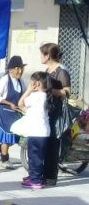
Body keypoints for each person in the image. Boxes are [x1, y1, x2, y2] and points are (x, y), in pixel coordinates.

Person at [39, 43, 71, 185]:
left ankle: (51, 177)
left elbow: (67, 91)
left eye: (42, 54)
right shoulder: (48, 69)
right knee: (45, 143)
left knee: (52, 143)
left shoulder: (61, 71)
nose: (40, 57)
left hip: (55, 112)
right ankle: (42, 174)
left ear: (48, 55)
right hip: (47, 110)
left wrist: (51, 91)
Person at [17, 71, 52, 190]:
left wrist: (28, 90)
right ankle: (34, 176)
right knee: (38, 157)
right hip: (43, 131)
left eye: (32, 81)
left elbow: (20, 103)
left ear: (36, 83)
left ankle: (35, 181)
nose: (30, 83)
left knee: (34, 157)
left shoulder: (36, 96)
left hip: (36, 131)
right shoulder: (46, 95)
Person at [0, 55, 26, 168]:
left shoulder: (21, 81)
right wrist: (9, 103)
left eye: (21, 68)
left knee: (15, 136)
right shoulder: (4, 81)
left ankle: (0, 149)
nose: (20, 71)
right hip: (5, 111)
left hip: (15, 112)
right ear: (10, 69)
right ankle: (5, 160)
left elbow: (24, 94)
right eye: (17, 68)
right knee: (7, 136)